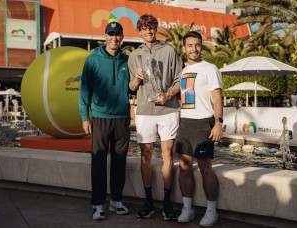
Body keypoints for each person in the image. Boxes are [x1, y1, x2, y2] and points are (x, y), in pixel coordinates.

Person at [128, 14, 182, 221]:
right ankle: (148, 200)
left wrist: (168, 94)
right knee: (146, 156)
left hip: (168, 110)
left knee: (168, 155)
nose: (148, 31)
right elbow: (131, 88)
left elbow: (179, 80)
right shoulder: (134, 56)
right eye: (144, 28)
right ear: (139, 31)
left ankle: (167, 202)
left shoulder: (169, 51)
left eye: (151, 27)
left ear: (156, 29)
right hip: (144, 111)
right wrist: (136, 78)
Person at [79, 22, 130, 220]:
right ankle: (98, 205)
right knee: (98, 162)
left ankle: (116, 201)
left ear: (122, 37)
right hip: (100, 117)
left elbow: (133, 87)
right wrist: (85, 117)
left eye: (117, 35)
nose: (114, 38)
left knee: (120, 162)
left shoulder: (128, 60)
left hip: (122, 118)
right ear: (105, 36)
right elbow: (85, 90)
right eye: (111, 34)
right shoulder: (92, 60)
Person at [174, 31, 223, 227]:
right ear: (184, 48)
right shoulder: (183, 71)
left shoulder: (210, 69)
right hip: (185, 123)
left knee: (205, 168)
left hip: (205, 123)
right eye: (190, 45)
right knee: (184, 168)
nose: (194, 49)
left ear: (201, 47)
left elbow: (217, 98)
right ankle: (188, 209)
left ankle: (212, 211)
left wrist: (218, 121)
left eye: (197, 45)